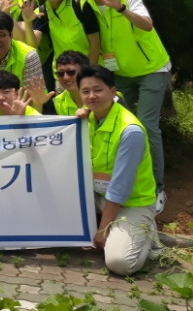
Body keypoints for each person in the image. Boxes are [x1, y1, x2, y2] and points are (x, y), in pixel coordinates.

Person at [73, 0, 169, 212]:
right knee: (106, 122)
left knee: (147, 125)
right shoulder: (87, 6)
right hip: (120, 74)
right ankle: (115, 183)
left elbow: (147, 25)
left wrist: (121, 8)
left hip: (151, 69)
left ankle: (157, 188)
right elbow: (95, 42)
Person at [77, 65, 158, 276]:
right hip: (99, 195)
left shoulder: (130, 131)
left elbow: (119, 188)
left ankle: (147, 231)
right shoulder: (89, 118)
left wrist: (103, 230)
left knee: (119, 263)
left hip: (132, 202)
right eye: (85, 91)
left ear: (113, 92)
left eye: (98, 90)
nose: (92, 96)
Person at [32, 0, 101, 90]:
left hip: (88, 71)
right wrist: (27, 22)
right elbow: (32, 44)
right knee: (66, 108)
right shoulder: (41, 12)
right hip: (63, 75)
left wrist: (90, 73)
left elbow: (95, 43)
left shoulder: (80, 6)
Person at [0, 11, 45, 109]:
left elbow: (34, 97)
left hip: (24, 107)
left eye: (1, 35)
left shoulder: (29, 55)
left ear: (11, 35)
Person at [49, 50, 90, 116]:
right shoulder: (56, 103)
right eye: (60, 73)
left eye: (71, 72)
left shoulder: (103, 98)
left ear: (86, 72)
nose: (65, 77)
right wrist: (38, 104)